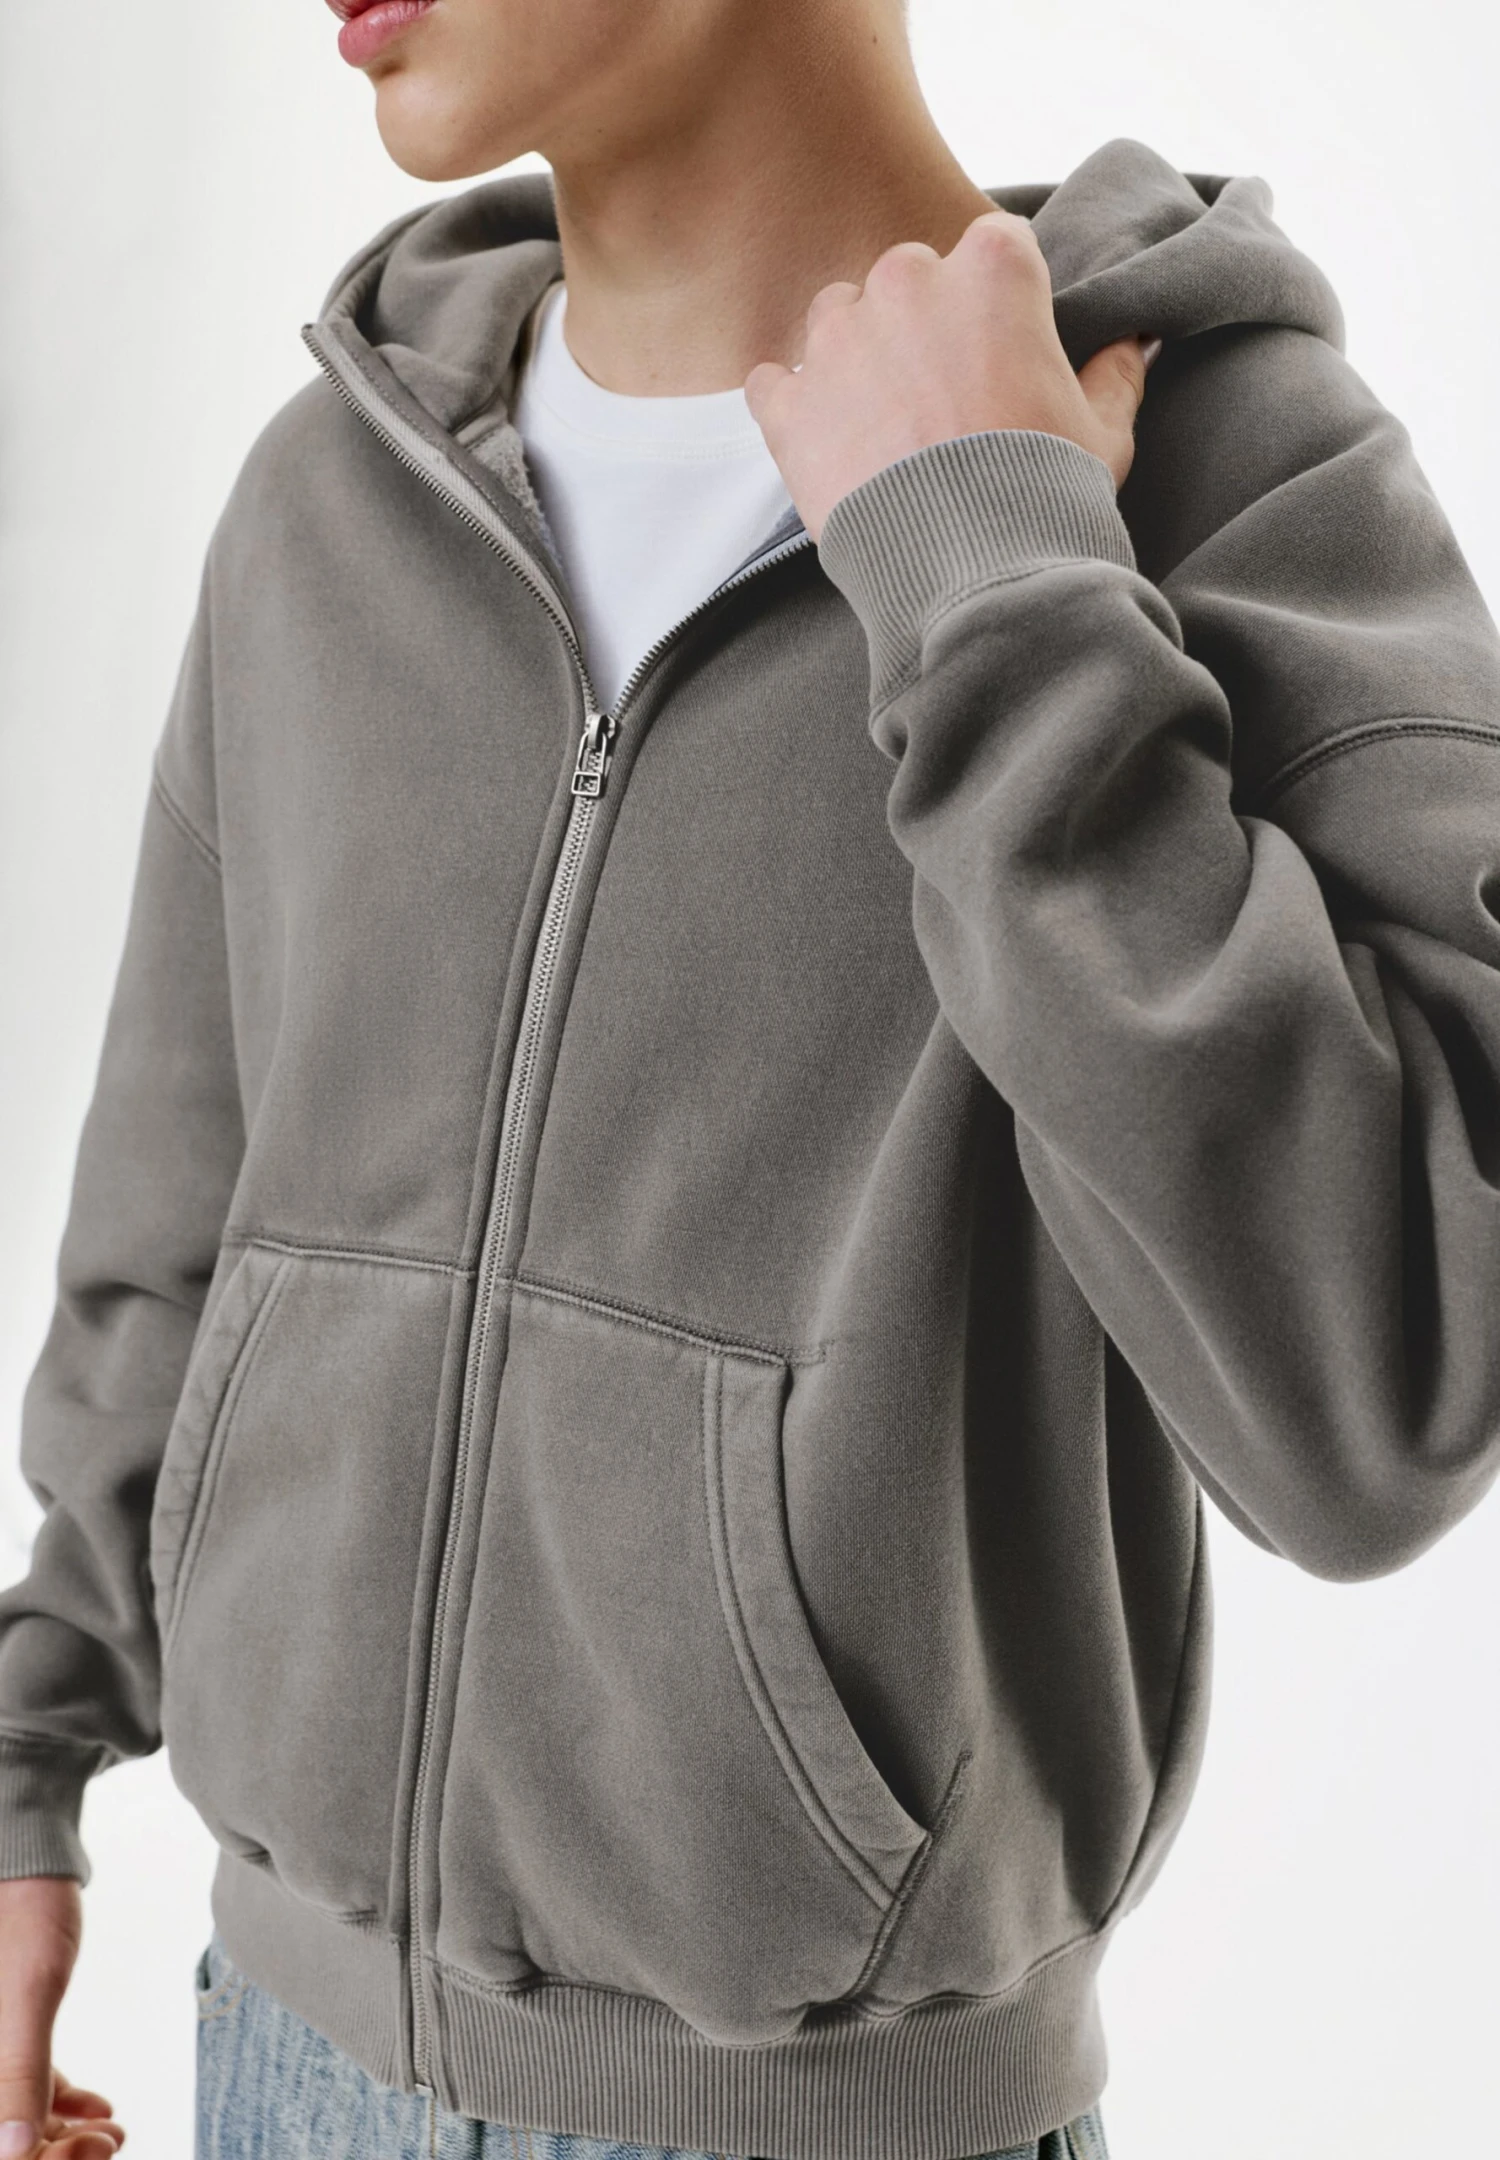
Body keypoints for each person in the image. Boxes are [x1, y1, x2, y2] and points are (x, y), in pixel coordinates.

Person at [4, 0, 1500, 2152]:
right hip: (280, 2064)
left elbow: (1380, 1399)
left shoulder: (1220, 471)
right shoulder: (337, 490)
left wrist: (997, 576)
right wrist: (31, 1754)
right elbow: (180, 1215)